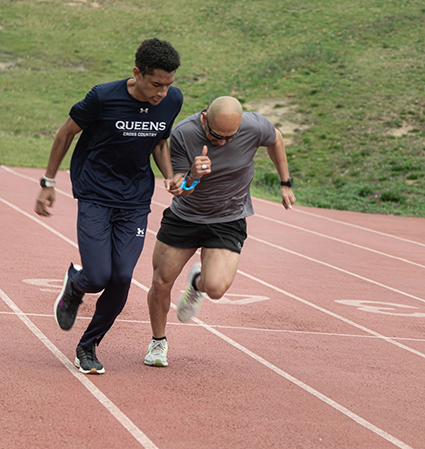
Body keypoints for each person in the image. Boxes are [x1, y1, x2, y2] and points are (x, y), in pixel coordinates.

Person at [34, 38, 183, 374]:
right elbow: (65, 134)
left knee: (123, 277)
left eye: (168, 84)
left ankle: (87, 346)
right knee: (99, 275)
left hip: (134, 199)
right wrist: (49, 183)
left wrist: (169, 176)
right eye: (156, 84)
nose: (162, 92)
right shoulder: (103, 96)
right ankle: (76, 284)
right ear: (137, 73)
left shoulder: (172, 99)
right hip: (95, 192)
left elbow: (160, 142)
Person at [143, 96, 296, 367]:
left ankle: (196, 284)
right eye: (216, 136)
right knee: (160, 282)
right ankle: (158, 342)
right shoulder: (183, 134)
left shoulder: (255, 125)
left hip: (228, 218)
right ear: (204, 119)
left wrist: (285, 182)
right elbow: (178, 189)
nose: (222, 143)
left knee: (215, 288)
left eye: (230, 137)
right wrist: (192, 177)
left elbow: (277, 139)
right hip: (186, 215)